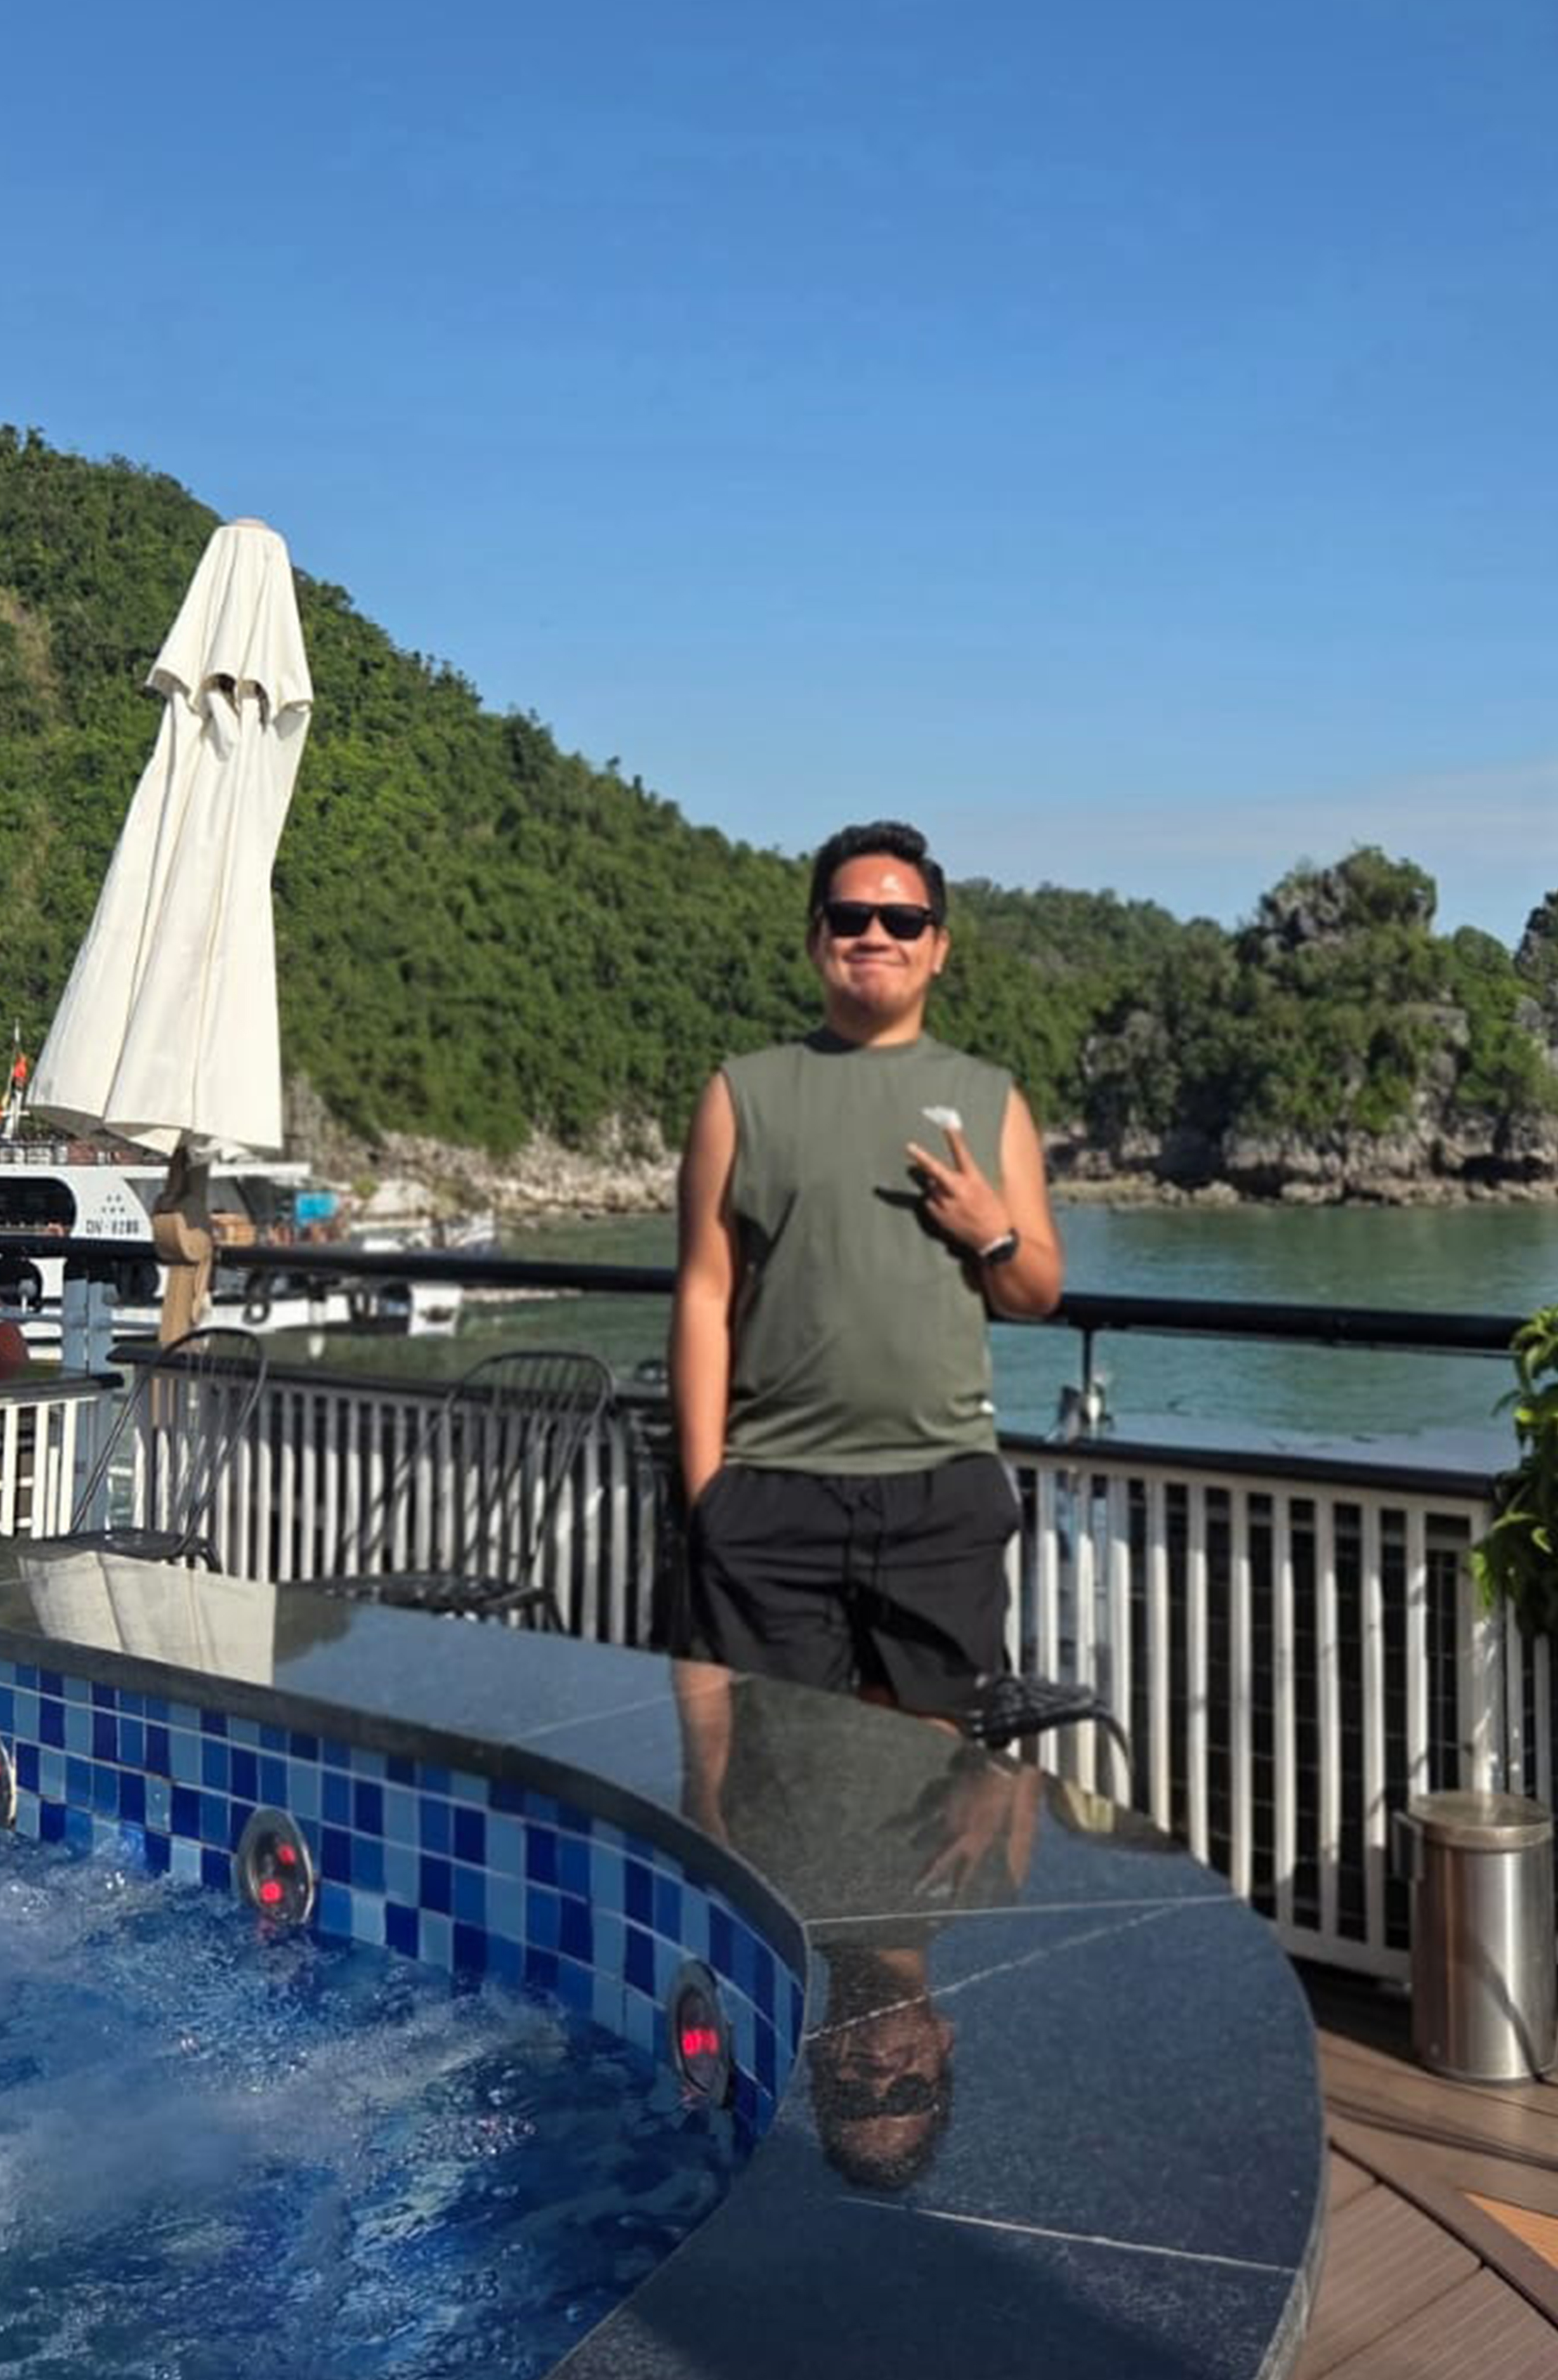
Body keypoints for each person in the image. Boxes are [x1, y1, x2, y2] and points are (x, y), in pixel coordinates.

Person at [670, 819, 1063, 1718]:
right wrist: (707, 1496)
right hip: (770, 1485)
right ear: (817, 939)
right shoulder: (739, 1094)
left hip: (941, 1487)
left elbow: (1037, 1291)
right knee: (772, 1765)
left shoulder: (990, 1099)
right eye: (850, 918)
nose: (875, 936)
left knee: (936, 1767)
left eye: (903, 921)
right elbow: (703, 1294)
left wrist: (993, 1233)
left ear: (938, 948)